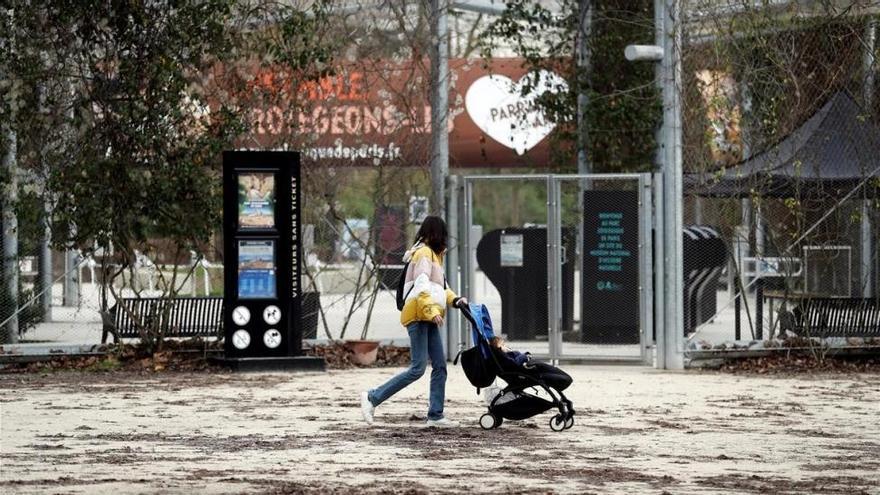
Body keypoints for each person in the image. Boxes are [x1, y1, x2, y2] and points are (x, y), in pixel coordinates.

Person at [360, 216, 467, 427]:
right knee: (417, 368)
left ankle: (435, 415)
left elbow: (441, 289)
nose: (445, 240)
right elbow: (421, 286)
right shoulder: (424, 254)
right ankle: (372, 397)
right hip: (419, 316)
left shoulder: (434, 257)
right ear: (436, 234)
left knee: (439, 366)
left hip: (428, 316)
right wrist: (430, 310)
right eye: (443, 235)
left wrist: (456, 300)